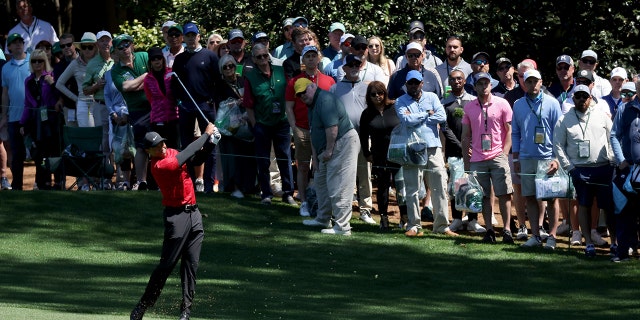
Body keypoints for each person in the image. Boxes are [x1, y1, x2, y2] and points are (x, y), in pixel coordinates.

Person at [129, 125, 217, 320]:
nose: (162, 147)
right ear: (148, 151)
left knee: (191, 266)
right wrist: (206, 134)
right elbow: (188, 152)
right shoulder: (159, 166)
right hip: (176, 218)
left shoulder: (171, 152)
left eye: (162, 143)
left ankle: (185, 312)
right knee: (167, 265)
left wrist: (212, 144)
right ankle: (143, 304)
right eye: (157, 146)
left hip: (194, 215)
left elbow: (196, 159)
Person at [553, 85, 615, 257]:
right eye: (578, 96)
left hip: (603, 167)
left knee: (608, 207)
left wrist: (612, 160)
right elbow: (558, 145)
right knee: (584, 205)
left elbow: (613, 137)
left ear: (590, 98)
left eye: (585, 96)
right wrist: (570, 168)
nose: (581, 99)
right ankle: (588, 243)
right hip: (580, 169)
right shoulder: (564, 119)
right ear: (573, 98)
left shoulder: (601, 116)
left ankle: (615, 242)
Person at [395, 70, 454, 237]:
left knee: (440, 186)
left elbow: (442, 117)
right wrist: (427, 114)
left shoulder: (433, 97)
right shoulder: (400, 101)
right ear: (406, 85)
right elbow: (406, 120)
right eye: (410, 83)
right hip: (412, 148)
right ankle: (414, 225)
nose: (414, 85)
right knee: (413, 188)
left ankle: (442, 225)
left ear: (422, 83)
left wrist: (416, 116)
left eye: (417, 82)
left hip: (433, 147)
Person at [297, 78, 360, 235]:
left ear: (313, 87)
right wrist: (316, 158)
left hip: (342, 142)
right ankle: (323, 218)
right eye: (299, 94)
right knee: (321, 181)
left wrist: (329, 151)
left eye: (304, 91)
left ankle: (342, 226)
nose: (302, 96)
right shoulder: (311, 105)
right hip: (325, 149)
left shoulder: (325, 99)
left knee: (339, 184)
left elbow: (332, 128)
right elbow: (313, 133)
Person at [461, 72, 515, 243]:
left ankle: (506, 230)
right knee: (483, 196)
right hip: (477, 158)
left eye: (486, 83)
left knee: (505, 194)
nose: (484, 87)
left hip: (498, 155)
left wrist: (504, 153)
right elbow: (465, 136)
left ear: (491, 85)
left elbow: (510, 131)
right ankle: (489, 230)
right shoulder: (469, 107)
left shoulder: (502, 103)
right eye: (480, 84)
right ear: (475, 86)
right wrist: (466, 161)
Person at [512, 69, 563, 249]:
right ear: (524, 84)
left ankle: (552, 236)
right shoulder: (518, 104)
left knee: (551, 198)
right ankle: (535, 235)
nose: (532, 85)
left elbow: (559, 132)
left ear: (541, 82)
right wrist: (516, 156)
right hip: (526, 158)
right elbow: (516, 132)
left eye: (535, 81)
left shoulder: (552, 103)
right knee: (530, 197)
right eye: (529, 82)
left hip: (547, 157)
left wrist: (557, 158)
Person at [285, 45, 335, 216]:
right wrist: (294, 128)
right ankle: (304, 201)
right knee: (304, 166)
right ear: (303, 60)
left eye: (314, 56)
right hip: (302, 129)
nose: (311, 59)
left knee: (322, 167)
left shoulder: (329, 81)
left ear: (319, 58)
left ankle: (322, 200)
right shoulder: (295, 81)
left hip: (322, 131)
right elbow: (289, 107)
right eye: (308, 56)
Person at [243, 43, 296, 205]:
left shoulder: (281, 71)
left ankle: (288, 193)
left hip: (281, 122)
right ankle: (266, 193)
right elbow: (249, 104)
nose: (263, 59)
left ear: (269, 56)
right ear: (254, 59)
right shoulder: (250, 77)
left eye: (265, 55)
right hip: (262, 124)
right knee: (263, 160)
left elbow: (290, 96)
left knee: (284, 158)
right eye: (259, 57)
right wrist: (255, 125)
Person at [171, 22, 220, 194]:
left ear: (199, 36)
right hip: (186, 106)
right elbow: (174, 85)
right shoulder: (180, 59)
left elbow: (217, 81)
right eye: (188, 36)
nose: (191, 39)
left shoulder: (209, 56)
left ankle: (208, 185)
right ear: (184, 38)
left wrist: (211, 100)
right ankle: (189, 183)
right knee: (186, 146)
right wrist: (179, 101)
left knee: (210, 144)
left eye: (194, 35)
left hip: (205, 106)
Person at [331, 54, 375, 225]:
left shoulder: (367, 88)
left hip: (364, 136)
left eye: (357, 64)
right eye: (351, 65)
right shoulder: (335, 89)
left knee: (365, 175)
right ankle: (344, 208)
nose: (355, 67)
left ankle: (365, 210)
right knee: (344, 175)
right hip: (343, 138)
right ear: (344, 69)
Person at [441, 68, 486, 233]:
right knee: (456, 186)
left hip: (474, 151)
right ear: (449, 82)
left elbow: (479, 126)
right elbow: (445, 128)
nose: (456, 82)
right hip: (454, 151)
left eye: (459, 79)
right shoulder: (444, 103)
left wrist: (472, 146)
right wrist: (461, 146)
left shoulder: (473, 101)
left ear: (465, 81)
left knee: (473, 186)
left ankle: (473, 220)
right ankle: (457, 219)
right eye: (453, 79)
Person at [359, 81, 406, 231]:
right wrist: (367, 153)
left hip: (397, 153)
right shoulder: (367, 114)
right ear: (369, 96)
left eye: (380, 93)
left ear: (385, 93)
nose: (377, 96)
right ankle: (383, 218)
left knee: (401, 185)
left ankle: (404, 217)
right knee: (383, 187)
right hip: (379, 154)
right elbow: (363, 136)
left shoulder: (394, 107)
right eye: (373, 94)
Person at [110, 34, 151, 191]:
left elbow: (155, 75)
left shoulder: (144, 56)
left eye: (127, 45)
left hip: (155, 107)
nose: (124, 48)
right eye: (120, 47)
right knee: (141, 147)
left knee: (159, 144)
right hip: (137, 111)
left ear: (132, 45)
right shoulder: (116, 70)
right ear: (116, 51)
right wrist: (147, 76)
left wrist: (137, 84)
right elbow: (126, 87)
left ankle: (158, 181)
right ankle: (142, 182)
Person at [215, 54, 256, 198]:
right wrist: (234, 103)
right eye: (225, 67)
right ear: (221, 70)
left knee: (248, 156)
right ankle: (233, 187)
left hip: (246, 123)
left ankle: (249, 186)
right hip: (229, 128)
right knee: (232, 158)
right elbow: (220, 105)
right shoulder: (219, 86)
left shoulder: (243, 81)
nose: (228, 69)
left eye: (231, 66)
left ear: (235, 66)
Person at [19, 49, 59, 190]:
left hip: (51, 119)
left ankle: (58, 182)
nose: (37, 63)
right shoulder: (28, 80)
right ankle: (43, 182)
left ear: (45, 62)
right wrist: (22, 123)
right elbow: (27, 104)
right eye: (34, 61)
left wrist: (52, 83)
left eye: (40, 60)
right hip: (36, 121)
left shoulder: (51, 76)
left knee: (53, 152)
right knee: (39, 154)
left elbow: (58, 96)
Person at [610, 81, 640, 262]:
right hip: (627, 169)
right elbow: (614, 134)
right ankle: (622, 252)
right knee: (623, 211)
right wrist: (621, 160)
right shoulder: (625, 108)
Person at [1, 33, 31, 190]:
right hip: (14, 116)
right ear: (9, 47)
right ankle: (17, 185)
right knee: (17, 153)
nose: (18, 44)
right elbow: (5, 94)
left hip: (33, 116)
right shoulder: (5, 68)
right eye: (15, 42)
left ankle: (41, 183)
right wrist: (4, 115)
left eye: (20, 41)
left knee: (38, 151)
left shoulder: (33, 62)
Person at [56, 32, 98, 128]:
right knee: (85, 135)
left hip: (100, 103)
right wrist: (76, 99)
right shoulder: (70, 64)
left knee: (102, 136)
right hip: (80, 104)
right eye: (84, 47)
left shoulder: (101, 61)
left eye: (90, 47)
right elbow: (59, 84)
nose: (87, 50)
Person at [82, 30, 114, 156]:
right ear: (97, 44)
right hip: (101, 106)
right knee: (104, 140)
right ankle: (106, 171)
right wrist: (96, 86)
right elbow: (85, 89)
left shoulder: (118, 59)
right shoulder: (92, 64)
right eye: (102, 40)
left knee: (120, 137)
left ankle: (123, 172)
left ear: (112, 42)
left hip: (118, 105)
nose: (105, 43)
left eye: (107, 40)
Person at [143, 47, 179, 149]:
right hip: (157, 119)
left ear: (163, 59)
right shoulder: (147, 79)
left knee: (175, 149)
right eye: (153, 59)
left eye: (159, 58)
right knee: (160, 150)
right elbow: (150, 98)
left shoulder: (171, 73)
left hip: (174, 118)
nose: (157, 61)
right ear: (150, 62)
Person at [52, 33, 79, 127]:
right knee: (73, 136)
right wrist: (60, 99)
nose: (66, 47)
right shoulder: (58, 67)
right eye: (63, 46)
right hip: (69, 106)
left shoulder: (85, 60)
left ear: (74, 44)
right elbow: (58, 88)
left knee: (87, 133)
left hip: (87, 104)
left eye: (69, 44)